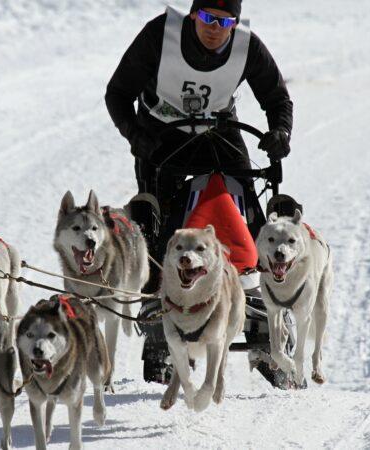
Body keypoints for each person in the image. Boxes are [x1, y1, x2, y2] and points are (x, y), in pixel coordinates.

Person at [105, 0, 296, 385]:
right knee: (155, 222)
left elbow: (277, 99)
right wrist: (134, 134)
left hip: (218, 131)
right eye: (208, 18)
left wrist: (280, 133)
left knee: (250, 205)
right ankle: (160, 318)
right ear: (193, 16)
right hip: (160, 135)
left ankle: (260, 299)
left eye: (224, 21)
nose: (215, 28)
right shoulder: (160, 36)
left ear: (235, 23)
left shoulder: (247, 47)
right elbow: (117, 94)